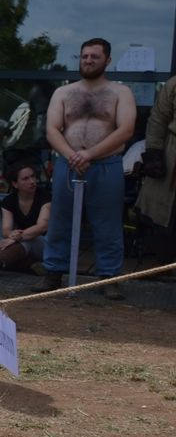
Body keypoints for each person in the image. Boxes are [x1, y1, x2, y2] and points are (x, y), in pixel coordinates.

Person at [33, 38, 136, 299]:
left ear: (107, 60)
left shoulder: (120, 92)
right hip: (67, 164)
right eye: (85, 56)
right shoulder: (64, 93)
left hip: (106, 165)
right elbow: (52, 129)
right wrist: (72, 156)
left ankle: (109, 276)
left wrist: (89, 153)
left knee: (108, 223)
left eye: (94, 56)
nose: (88, 60)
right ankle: (53, 272)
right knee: (60, 220)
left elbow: (126, 130)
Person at [0, 159, 51, 276]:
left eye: (33, 176)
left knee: (29, 240)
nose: (32, 181)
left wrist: (17, 238)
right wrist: (12, 235)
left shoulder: (45, 197)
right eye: (25, 179)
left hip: (43, 244)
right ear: (15, 184)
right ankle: (30, 265)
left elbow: (42, 227)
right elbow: (6, 230)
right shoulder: (9, 201)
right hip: (19, 243)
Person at [133, 72, 175, 261]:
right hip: (172, 155)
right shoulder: (174, 85)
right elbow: (158, 120)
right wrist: (154, 153)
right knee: (166, 213)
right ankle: (165, 261)